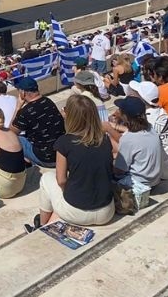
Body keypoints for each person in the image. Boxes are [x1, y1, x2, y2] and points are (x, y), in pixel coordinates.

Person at [27, 95, 115, 231]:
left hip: (77, 212)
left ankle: (41, 225)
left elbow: (61, 180)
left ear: (71, 116)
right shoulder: (104, 139)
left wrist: (67, 194)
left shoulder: (64, 142)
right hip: (106, 212)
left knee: (46, 178)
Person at [105, 97, 164, 208]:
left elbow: (119, 171)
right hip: (154, 180)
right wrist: (114, 127)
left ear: (125, 116)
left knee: (105, 171)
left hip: (140, 183)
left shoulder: (128, 139)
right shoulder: (150, 128)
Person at [129, 81, 168, 180]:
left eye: (135, 94)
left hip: (162, 173)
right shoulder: (164, 111)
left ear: (141, 99)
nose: (132, 95)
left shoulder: (147, 120)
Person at [10, 77, 66, 168]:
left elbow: (11, 132)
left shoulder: (25, 112)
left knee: (14, 138)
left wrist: (18, 107)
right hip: (60, 155)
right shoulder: (49, 101)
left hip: (45, 158)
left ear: (23, 92)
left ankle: (21, 166)